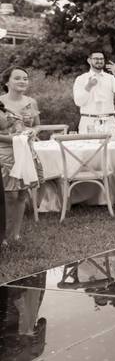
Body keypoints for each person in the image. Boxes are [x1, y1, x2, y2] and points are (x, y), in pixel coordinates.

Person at [0, 67, 43, 248]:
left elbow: (38, 126)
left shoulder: (31, 102)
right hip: (5, 152)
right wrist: (13, 139)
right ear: (6, 82)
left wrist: (32, 131)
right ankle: (2, 236)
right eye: (17, 78)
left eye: (25, 78)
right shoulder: (0, 102)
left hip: (26, 151)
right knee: (8, 195)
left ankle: (15, 234)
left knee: (22, 194)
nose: (22, 81)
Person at [72, 51, 115, 133]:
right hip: (88, 121)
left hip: (109, 121)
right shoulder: (81, 79)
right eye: (96, 59)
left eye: (101, 59)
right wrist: (89, 86)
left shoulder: (111, 78)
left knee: (112, 145)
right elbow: (78, 102)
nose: (99, 61)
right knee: (88, 145)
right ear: (89, 61)